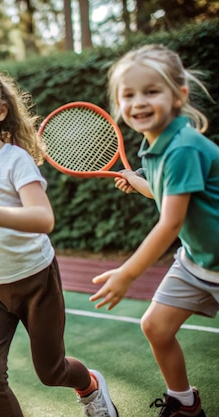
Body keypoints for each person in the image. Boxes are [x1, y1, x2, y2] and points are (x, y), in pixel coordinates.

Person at [0, 60, 118, 417]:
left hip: (36, 282)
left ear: (0, 110)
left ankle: (89, 385)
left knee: (51, 371)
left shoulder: (17, 161)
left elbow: (44, 219)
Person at [91, 44, 217, 417]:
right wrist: (139, 180)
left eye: (151, 91)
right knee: (156, 327)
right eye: (128, 95)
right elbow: (168, 197)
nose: (138, 102)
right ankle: (184, 402)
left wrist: (127, 274)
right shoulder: (155, 148)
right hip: (197, 263)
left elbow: (171, 221)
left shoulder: (182, 148)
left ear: (179, 96)